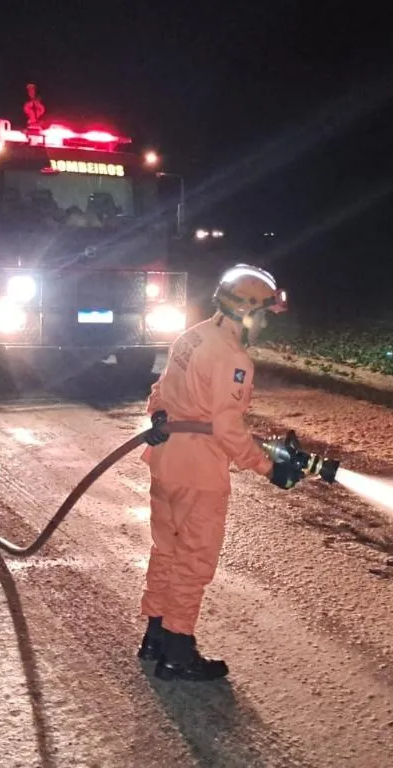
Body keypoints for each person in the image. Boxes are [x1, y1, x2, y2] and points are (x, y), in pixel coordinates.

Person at [137, 264, 304, 681]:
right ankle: (178, 652)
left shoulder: (192, 336)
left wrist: (158, 414)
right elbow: (227, 428)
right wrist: (268, 468)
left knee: (166, 550)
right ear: (246, 312)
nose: (265, 324)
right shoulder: (234, 358)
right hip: (199, 474)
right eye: (264, 315)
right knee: (193, 560)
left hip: (165, 462)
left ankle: (154, 636)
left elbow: (160, 390)